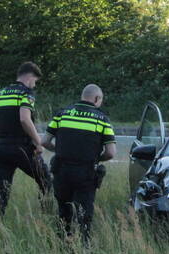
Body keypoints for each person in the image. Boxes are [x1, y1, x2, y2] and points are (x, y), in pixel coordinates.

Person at [41, 83, 116, 242]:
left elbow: (45, 142)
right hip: (85, 173)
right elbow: (110, 152)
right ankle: (84, 248)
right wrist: (95, 158)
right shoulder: (102, 119)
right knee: (84, 214)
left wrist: (62, 151)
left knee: (64, 211)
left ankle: (63, 245)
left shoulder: (62, 114)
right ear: (97, 99)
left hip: (61, 170)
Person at [0, 62, 51, 216]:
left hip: (1, 149)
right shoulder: (26, 93)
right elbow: (25, 119)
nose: (34, 85)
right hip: (22, 149)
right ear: (30, 76)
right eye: (35, 82)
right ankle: (47, 216)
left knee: (1, 193)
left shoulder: (1, 93)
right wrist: (38, 143)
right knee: (46, 180)